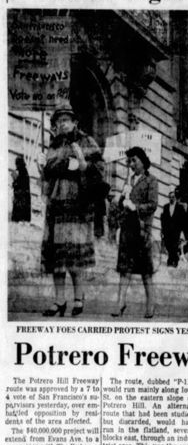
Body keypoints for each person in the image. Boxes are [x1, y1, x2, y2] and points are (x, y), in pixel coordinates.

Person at [41, 105, 104, 317]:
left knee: (75, 258)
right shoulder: (54, 143)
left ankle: (79, 298)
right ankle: (59, 301)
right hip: (56, 205)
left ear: (75, 122)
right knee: (56, 258)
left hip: (78, 206)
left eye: (66, 120)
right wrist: (68, 164)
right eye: (59, 121)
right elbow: (49, 169)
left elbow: (99, 171)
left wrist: (83, 164)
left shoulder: (87, 142)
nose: (62, 124)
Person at [112, 147, 158, 318]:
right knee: (125, 268)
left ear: (143, 161)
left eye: (134, 160)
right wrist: (121, 197)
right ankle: (120, 303)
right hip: (127, 229)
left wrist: (135, 207)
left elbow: (153, 205)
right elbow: (121, 204)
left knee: (146, 270)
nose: (131, 164)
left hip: (142, 230)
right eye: (129, 161)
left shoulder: (151, 180)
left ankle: (151, 304)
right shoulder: (128, 180)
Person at [161, 189, 187, 267]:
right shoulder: (165, 207)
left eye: (173, 197)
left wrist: (182, 231)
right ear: (168, 198)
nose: (171, 198)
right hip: (167, 230)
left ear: (175, 198)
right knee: (168, 245)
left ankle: (173, 260)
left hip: (176, 230)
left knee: (174, 246)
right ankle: (173, 257)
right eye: (170, 197)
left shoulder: (180, 207)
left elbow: (183, 220)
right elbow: (163, 219)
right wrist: (162, 230)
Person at [11, 155, 31, 222]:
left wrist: (15, 182)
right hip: (20, 195)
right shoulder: (21, 171)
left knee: (20, 208)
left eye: (17, 164)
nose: (16, 166)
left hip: (22, 196)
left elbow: (21, 184)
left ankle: (19, 218)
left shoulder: (23, 172)